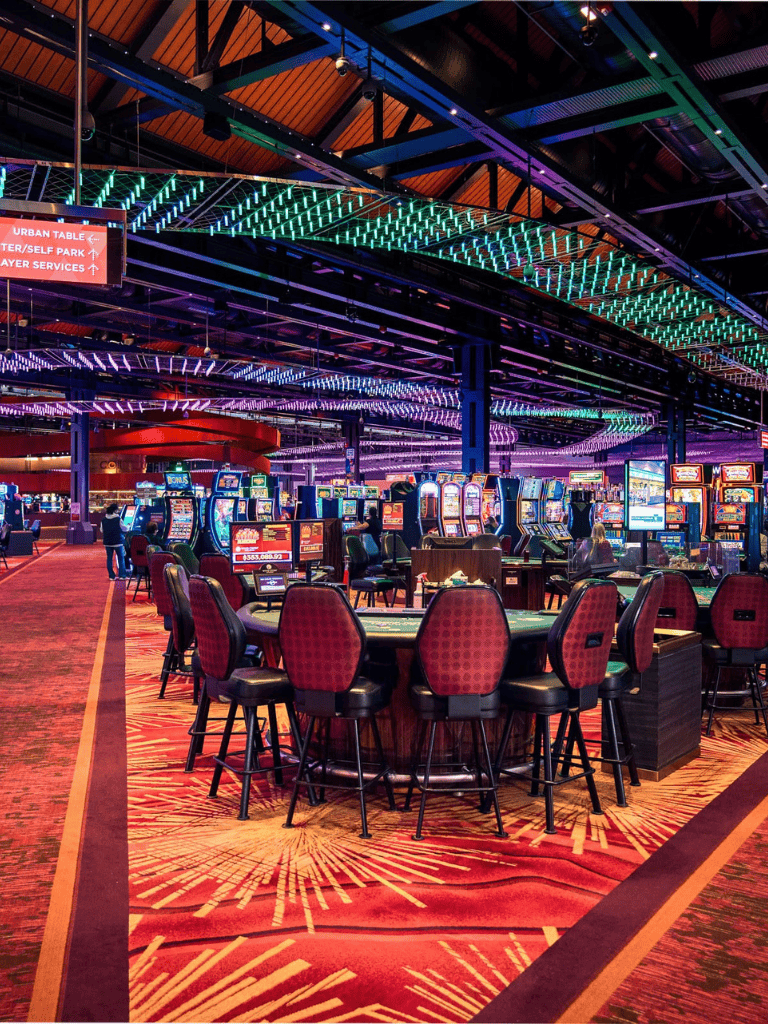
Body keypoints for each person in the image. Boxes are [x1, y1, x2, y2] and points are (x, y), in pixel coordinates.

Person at [101, 503, 129, 580]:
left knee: (109, 558)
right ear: (115, 510)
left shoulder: (104, 520)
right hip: (118, 542)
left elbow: (101, 530)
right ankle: (122, 575)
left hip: (107, 542)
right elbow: (124, 529)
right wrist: (128, 526)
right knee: (121, 558)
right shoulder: (118, 519)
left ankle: (111, 576)